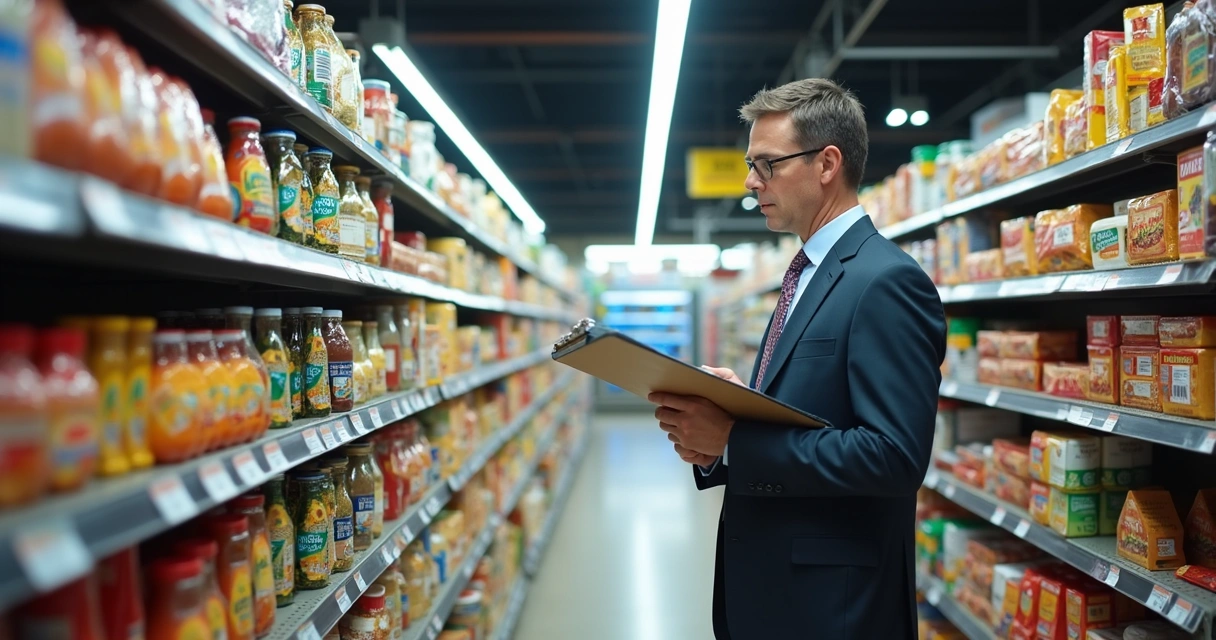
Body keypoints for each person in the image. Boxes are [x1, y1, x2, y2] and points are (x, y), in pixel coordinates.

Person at [649, 78, 946, 639]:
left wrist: (734, 440)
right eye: (749, 164)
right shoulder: (807, 274)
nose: (749, 181)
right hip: (776, 592)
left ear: (827, 163)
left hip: (833, 609)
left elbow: (894, 456)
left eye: (766, 164)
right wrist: (736, 406)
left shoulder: (886, 281)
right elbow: (813, 409)